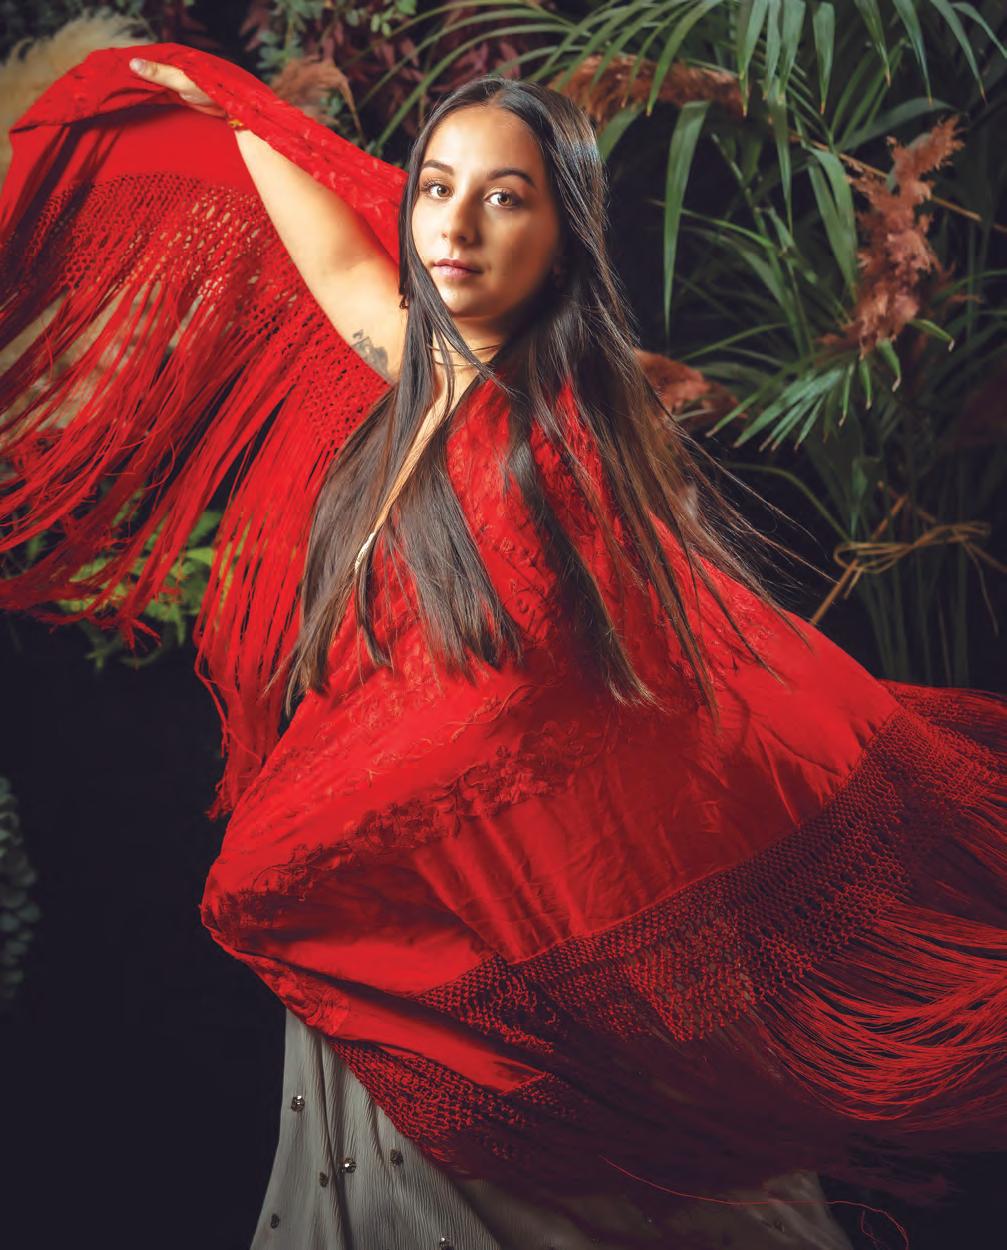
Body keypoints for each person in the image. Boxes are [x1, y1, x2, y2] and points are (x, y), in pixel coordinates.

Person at [0, 42, 1004, 1250]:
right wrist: (217, 102)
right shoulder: (422, 375)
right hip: (400, 937)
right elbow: (337, 263)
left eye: (505, 197)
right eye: (436, 188)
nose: (456, 225)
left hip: (472, 962)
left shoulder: (553, 435)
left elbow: (512, 717)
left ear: (564, 237)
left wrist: (304, 837)